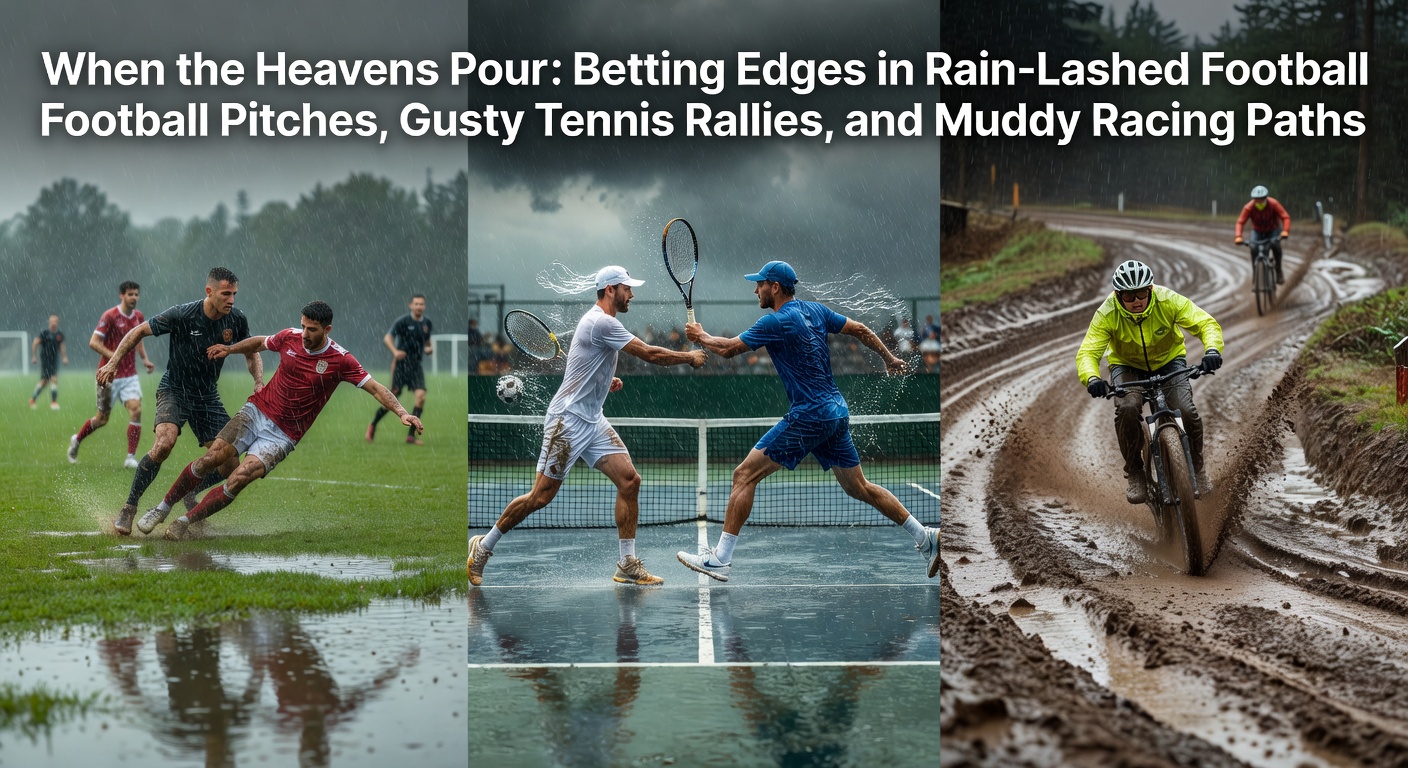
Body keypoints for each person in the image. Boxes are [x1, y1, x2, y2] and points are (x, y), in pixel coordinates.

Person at [675, 260, 939, 581]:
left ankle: (720, 559)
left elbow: (729, 350)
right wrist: (890, 358)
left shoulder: (776, 321)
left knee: (744, 475)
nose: (755, 289)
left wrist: (701, 335)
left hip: (810, 415)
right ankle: (925, 537)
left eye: (760, 283)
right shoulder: (815, 311)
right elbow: (861, 329)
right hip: (836, 412)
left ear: (774, 287)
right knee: (860, 487)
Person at [467, 266, 707, 587]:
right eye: (627, 288)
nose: (631, 294)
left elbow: (583, 366)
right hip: (567, 422)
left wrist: (604, 382)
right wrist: (688, 357)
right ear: (610, 290)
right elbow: (649, 353)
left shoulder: (603, 323)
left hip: (593, 419)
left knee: (630, 481)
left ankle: (626, 562)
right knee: (540, 497)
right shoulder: (601, 322)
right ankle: (483, 547)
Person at [137, 300, 423, 540]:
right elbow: (260, 342)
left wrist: (401, 412)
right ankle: (162, 508)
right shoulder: (289, 336)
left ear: (327, 329)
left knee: (239, 478)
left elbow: (375, 387)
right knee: (211, 458)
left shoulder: (341, 360)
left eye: (312, 329)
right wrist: (229, 349)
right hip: (257, 411)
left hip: (284, 435)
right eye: (304, 326)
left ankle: (184, 523)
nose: (305, 333)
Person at [98, 267, 264, 536]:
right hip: (174, 390)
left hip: (207, 396)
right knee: (164, 444)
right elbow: (138, 331)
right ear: (209, 292)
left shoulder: (236, 319)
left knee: (230, 464)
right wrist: (113, 363)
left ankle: (190, 492)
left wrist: (258, 381)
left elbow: (252, 350)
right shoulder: (183, 314)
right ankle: (129, 508)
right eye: (226, 294)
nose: (231, 300)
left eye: (234, 294)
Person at [1076, 260, 1224, 505]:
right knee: (1127, 408)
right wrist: (1092, 378)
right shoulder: (1107, 313)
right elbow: (1088, 353)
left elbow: (1205, 323)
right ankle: (1135, 473)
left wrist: (1212, 351)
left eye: (1142, 292)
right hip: (1127, 366)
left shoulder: (1168, 301)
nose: (1137, 300)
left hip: (1169, 360)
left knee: (1185, 409)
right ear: (1118, 295)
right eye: (1129, 295)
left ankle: (1197, 469)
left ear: (1151, 290)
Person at [68, 281, 156, 468]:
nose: (134, 298)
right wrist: (114, 357)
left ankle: (130, 457)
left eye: (136, 294)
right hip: (107, 376)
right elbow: (93, 342)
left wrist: (145, 359)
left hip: (130, 375)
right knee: (102, 419)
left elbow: (138, 339)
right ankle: (77, 439)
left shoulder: (138, 316)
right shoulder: (110, 316)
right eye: (130, 294)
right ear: (121, 296)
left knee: (136, 410)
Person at [367, 294, 432, 445]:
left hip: (416, 366)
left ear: (424, 306)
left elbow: (427, 341)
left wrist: (429, 348)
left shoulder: (427, 323)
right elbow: (387, 338)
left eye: (421, 304)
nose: (419, 306)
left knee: (421, 397)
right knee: (391, 400)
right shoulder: (403, 321)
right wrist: (395, 352)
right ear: (410, 305)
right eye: (416, 304)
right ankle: (373, 424)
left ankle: (411, 436)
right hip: (401, 366)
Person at [1234, 185, 1291, 284]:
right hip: (1258, 231)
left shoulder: (1274, 204)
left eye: (1262, 199)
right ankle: (1256, 274)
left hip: (1273, 229)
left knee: (1275, 246)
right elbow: (1240, 222)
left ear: (1266, 198)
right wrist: (1238, 236)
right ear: (1254, 199)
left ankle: (1278, 271)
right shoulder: (1249, 207)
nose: (1259, 201)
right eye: (1257, 199)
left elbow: (1285, 217)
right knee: (1253, 247)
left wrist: (1285, 231)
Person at [29, 314, 68, 409]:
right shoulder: (45, 333)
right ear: (49, 321)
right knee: (49, 380)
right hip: (45, 360)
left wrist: (64, 357)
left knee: (47, 381)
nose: (53, 322)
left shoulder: (59, 334)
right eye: (52, 320)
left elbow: (62, 346)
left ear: (57, 322)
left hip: (54, 360)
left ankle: (34, 399)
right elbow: (35, 343)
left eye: (55, 320)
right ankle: (53, 402)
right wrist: (33, 356)